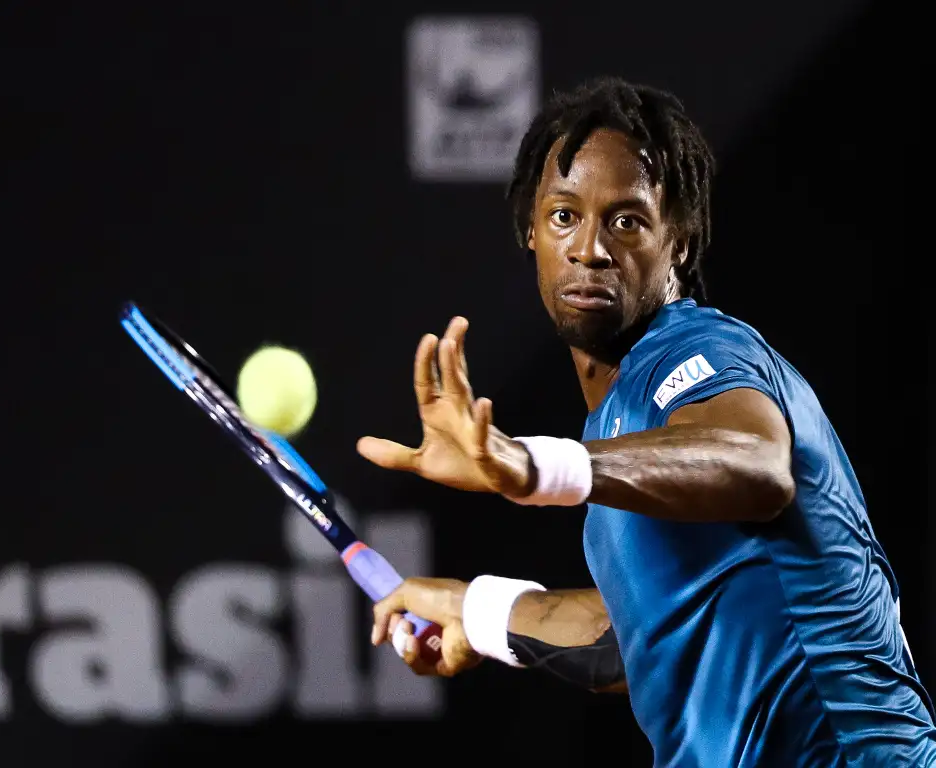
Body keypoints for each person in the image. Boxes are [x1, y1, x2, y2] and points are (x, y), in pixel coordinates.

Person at [355, 77, 936, 766]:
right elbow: (628, 644)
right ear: (530, 231)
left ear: (679, 244)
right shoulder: (621, 430)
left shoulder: (697, 350)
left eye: (626, 221)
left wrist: (538, 467)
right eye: (564, 215)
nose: (590, 248)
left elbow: (756, 464)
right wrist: (474, 611)